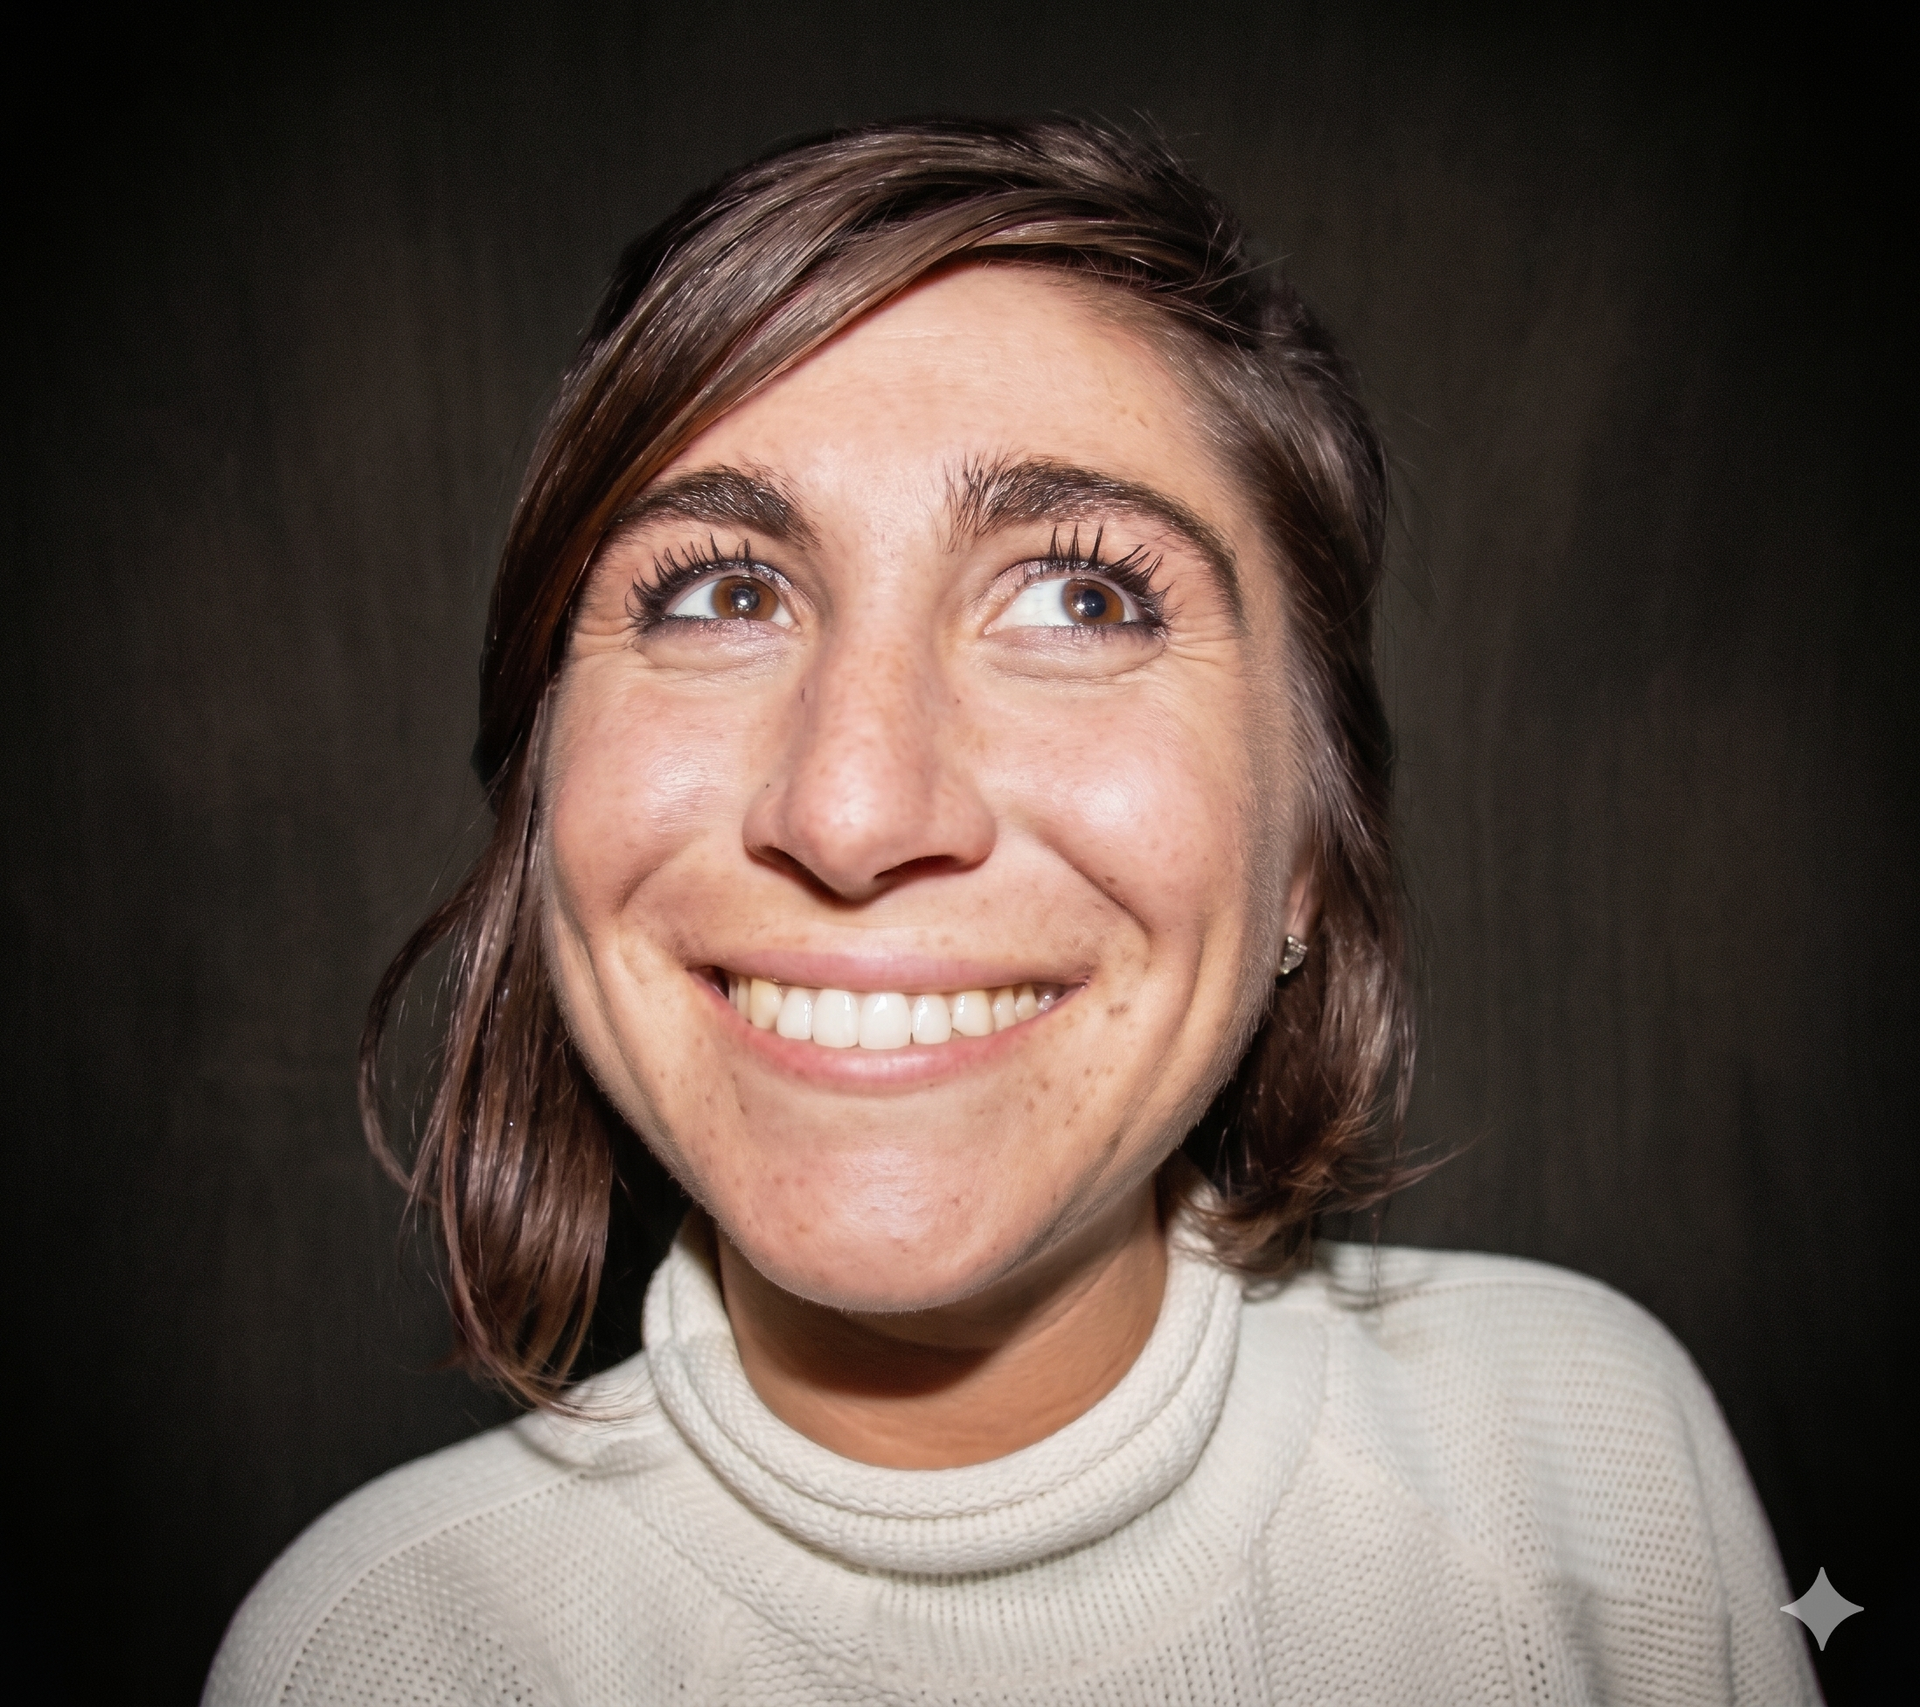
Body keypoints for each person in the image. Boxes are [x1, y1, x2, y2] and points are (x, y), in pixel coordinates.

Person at [205, 118, 1817, 1705]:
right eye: (723, 592)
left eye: (1082, 597)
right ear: (544, 788)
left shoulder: (1595, 1467)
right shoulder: (373, 1661)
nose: (854, 808)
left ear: (1310, 849)